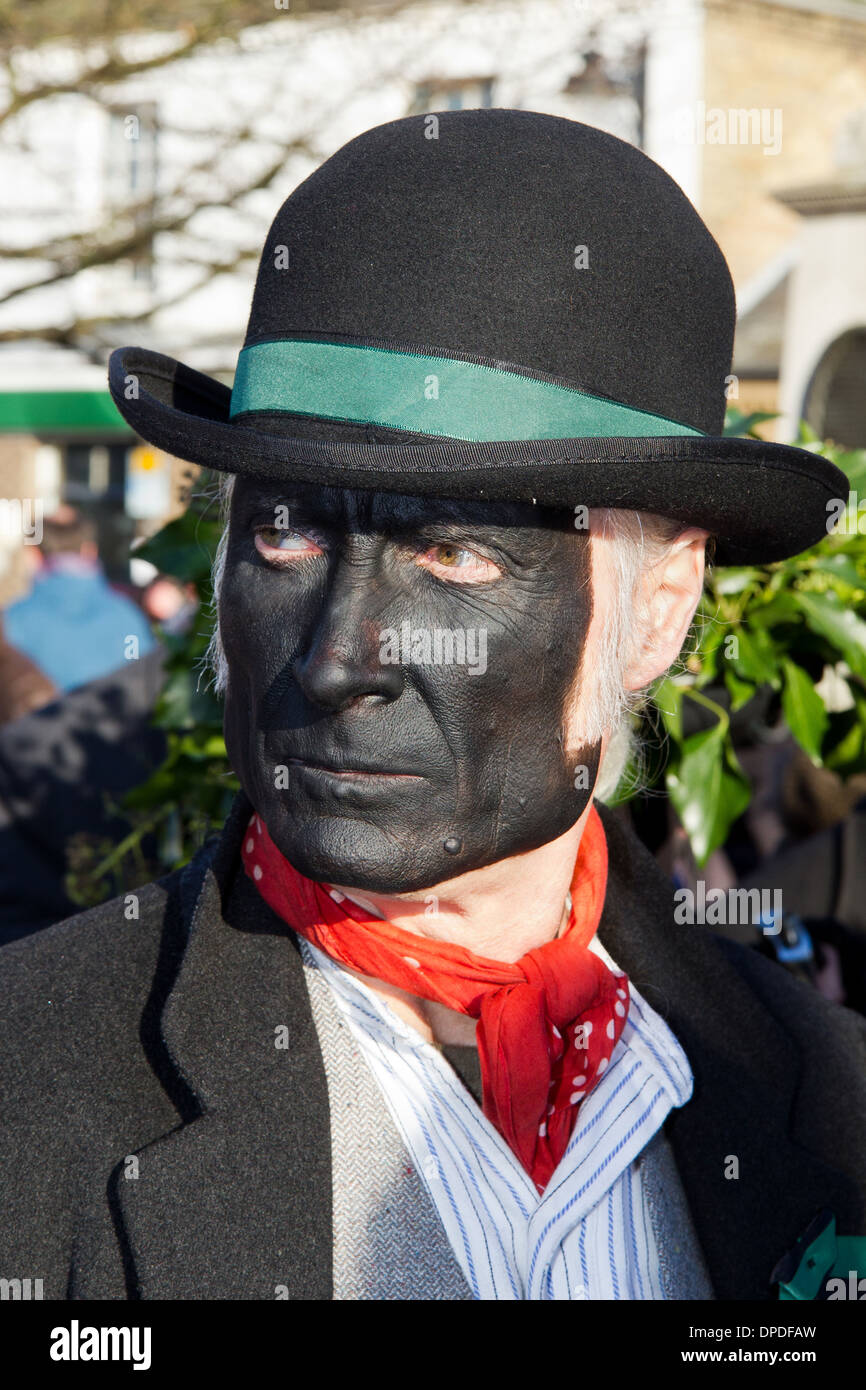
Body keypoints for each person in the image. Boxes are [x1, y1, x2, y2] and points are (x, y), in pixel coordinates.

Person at [1, 109, 864, 1302]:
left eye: (450, 555)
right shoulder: (26, 1093)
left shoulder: (819, 1105)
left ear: (656, 609)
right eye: (285, 529)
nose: (339, 658)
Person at [3, 505, 155, 692]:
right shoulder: (129, 620)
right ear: (90, 551)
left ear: (33, 554)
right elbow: (142, 689)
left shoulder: (10, 625)